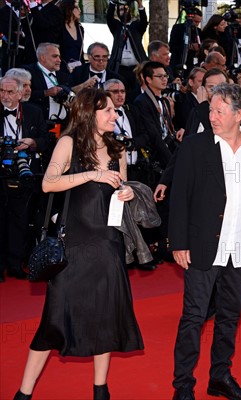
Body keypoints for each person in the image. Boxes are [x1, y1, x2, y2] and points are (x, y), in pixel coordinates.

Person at [13, 88, 144, 400]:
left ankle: (101, 390)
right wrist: (92, 175)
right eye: (108, 110)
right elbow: (49, 182)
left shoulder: (117, 149)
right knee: (54, 319)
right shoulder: (68, 143)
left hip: (108, 243)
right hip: (73, 245)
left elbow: (121, 189)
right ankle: (24, 393)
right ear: (90, 113)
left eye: (114, 110)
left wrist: (127, 193)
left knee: (106, 317)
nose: (115, 115)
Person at [169, 83, 241, 400]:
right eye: (210, 109)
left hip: (240, 246)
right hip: (202, 242)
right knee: (194, 317)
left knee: (229, 316)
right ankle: (183, 384)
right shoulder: (196, 146)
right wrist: (179, 242)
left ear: (239, 114)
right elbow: (180, 196)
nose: (211, 116)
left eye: (218, 111)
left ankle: (220, 376)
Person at [0, 76, 50, 282]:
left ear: (21, 94)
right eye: (2, 91)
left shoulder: (34, 112)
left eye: (10, 92)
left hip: (24, 174)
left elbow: (47, 141)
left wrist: (32, 142)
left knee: (20, 221)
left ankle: (15, 264)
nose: (4, 95)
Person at [106, 0, 148, 88]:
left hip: (136, 68)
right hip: (120, 69)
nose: (124, 11)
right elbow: (109, 17)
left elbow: (144, 21)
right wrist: (113, 3)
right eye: (121, 9)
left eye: (126, 9)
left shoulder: (136, 26)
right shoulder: (116, 27)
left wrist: (140, 4)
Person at [58, 0, 84, 74]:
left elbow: (81, 52)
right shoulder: (59, 27)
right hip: (62, 69)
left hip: (78, 69)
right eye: (76, 7)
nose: (80, 9)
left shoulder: (80, 28)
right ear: (69, 8)